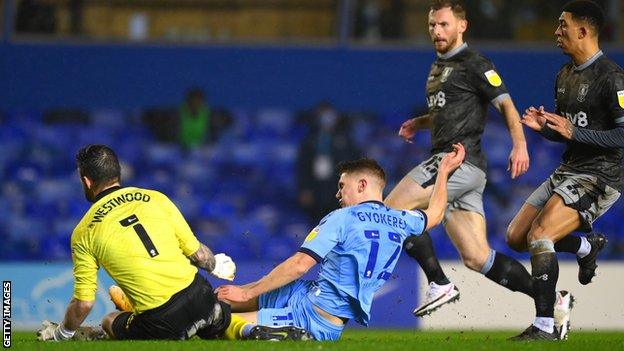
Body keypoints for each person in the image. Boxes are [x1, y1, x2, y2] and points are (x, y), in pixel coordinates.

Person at [216, 144, 466, 341]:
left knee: (218, 324)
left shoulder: (343, 218)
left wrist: (247, 291)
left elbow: (300, 264)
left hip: (312, 315)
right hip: (310, 297)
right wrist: (443, 173)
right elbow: (435, 214)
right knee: (222, 302)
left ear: (362, 185)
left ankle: (274, 333)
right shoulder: (401, 219)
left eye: (342, 186)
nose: (338, 194)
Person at [384, 0, 534, 319]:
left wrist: (519, 144)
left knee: (392, 210)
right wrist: (420, 122)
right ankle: (549, 298)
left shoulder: (475, 63)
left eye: (444, 25)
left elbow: (506, 104)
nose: (437, 31)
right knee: (477, 257)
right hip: (466, 170)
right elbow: (449, 111)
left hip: (455, 161)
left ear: (461, 26)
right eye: (432, 25)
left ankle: (439, 283)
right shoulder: (438, 66)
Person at [506, 0, 623, 340]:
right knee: (516, 237)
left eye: (563, 26)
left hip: (600, 176)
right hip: (569, 169)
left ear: (584, 31)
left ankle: (546, 325)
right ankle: (587, 248)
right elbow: (567, 131)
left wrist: (573, 132)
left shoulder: (613, 78)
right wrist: (544, 127)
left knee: (540, 234)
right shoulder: (564, 75)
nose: (556, 32)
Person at [36, 144, 239, 341]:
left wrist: (60, 334)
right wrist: (216, 265)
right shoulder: (156, 198)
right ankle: (251, 329)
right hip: (200, 295)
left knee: (110, 320)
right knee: (220, 318)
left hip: (162, 321)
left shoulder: (84, 231)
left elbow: (84, 303)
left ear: (87, 181)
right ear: (117, 173)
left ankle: (118, 319)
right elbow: (199, 256)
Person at [297, 102, 360, 222]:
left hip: (338, 186)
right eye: (323, 114)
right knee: (317, 222)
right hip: (316, 187)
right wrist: (304, 189)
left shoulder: (345, 139)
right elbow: (303, 167)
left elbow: (354, 164)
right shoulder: (310, 139)